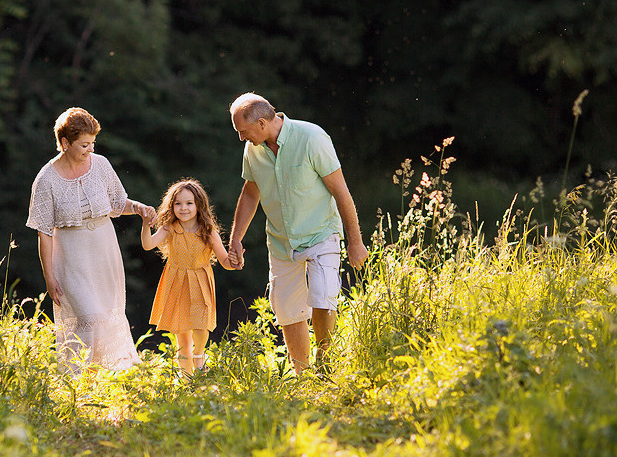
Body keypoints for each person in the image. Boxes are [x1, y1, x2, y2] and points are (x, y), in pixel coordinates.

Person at [225, 93, 369, 374]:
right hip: (281, 240)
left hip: (320, 232)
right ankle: (303, 375)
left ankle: (325, 369)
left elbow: (340, 191)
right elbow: (251, 192)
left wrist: (356, 241)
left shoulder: (311, 138)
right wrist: (236, 237)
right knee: (287, 310)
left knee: (322, 297)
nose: (241, 138)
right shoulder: (253, 150)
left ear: (263, 122)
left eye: (243, 131)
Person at [27, 107, 155, 373]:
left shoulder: (102, 165)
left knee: (108, 315)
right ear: (64, 143)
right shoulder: (46, 180)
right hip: (71, 257)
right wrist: (49, 276)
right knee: (88, 317)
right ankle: (74, 380)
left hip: (103, 251)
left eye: (92, 143)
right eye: (84, 144)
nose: (90, 149)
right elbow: (44, 232)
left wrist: (139, 208)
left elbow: (118, 203)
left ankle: (111, 377)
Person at [140, 178, 234, 375]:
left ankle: (199, 357)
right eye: (178, 204)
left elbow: (225, 262)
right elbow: (148, 245)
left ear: (199, 205)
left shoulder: (209, 232)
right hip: (177, 283)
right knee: (182, 336)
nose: (184, 208)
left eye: (189, 203)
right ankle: (186, 379)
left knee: (201, 326)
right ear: (172, 206)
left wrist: (235, 261)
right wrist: (146, 225)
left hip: (200, 282)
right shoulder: (169, 228)